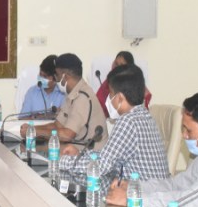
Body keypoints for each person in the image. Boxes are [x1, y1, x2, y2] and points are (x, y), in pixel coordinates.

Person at [59, 65, 170, 193]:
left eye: (110, 94)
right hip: (153, 191)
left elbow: (102, 166)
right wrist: (79, 154)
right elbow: (110, 155)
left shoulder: (128, 121)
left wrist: (63, 162)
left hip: (140, 195)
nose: (108, 99)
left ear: (120, 98)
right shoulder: (144, 116)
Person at [20, 53, 108, 148]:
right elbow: (57, 125)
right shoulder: (71, 94)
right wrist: (31, 128)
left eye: (57, 75)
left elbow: (67, 136)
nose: (56, 79)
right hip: (75, 149)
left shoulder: (82, 97)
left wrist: (34, 132)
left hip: (91, 153)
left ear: (65, 76)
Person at [96, 51, 152, 117]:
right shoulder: (108, 82)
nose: (116, 67)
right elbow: (97, 104)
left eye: (121, 65)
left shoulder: (137, 87)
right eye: (116, 63)